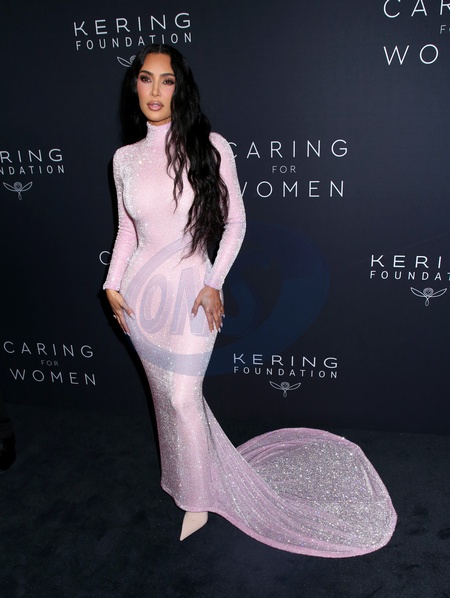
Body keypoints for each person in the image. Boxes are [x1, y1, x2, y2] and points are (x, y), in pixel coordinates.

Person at [104, 44, 396, 556]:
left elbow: (236, 222)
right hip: (139, 298)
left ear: (181, 89)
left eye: (167, 80)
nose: (155, 90)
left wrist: (213, 282)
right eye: (146, 79)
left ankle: (200, 499)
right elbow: (127, 231)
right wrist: (111, 284)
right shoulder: (124, 159)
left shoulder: (210, 147)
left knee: (183, 396)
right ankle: (181, 479)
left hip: (192, 294)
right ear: (135, 86)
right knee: (164, 398)